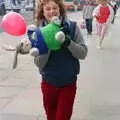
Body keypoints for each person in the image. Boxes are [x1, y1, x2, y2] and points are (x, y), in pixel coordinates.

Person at [18, 0, 88, 120]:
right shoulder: (38, 33)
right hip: (48, 83)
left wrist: (67, 42)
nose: (52, 12)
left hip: (68, 83)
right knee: (51, 116)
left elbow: (83, 53)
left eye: (55, 8)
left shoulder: (71, 27)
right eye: (48, 9)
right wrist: (48, 44)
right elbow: (39, 63)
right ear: (43, 12)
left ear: (60, 9)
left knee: (62, 117)